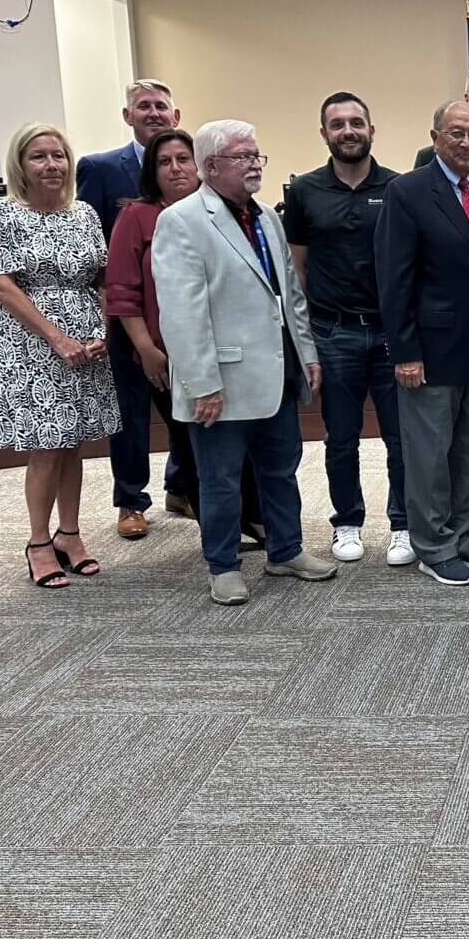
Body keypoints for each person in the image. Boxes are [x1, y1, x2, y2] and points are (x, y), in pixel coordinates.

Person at [151, 119, 337, 606]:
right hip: (220, 382)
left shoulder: (266, 218)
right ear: (211, 166)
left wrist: (307, 353)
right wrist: (200, 383)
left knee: (281, 469)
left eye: (258, 156)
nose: (255, 164)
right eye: (243, 156)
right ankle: (223, 565)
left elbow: (290, 294)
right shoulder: (181, 221)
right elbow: (182, 314)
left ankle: (286, 549)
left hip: (275, 372)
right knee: (219, 479)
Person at [0, 122, 120, 590]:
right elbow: (0, 285)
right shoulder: (0, 214)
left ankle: (69, 535)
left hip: (85, 338)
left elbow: (102, 279)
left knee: (73, 440)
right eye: (39, 157)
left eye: (58, 156)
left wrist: (104, 332)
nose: (51, 165)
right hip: (28, 341)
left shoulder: (85, 215)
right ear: (21, 165)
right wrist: (57, 337)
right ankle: (37, 542)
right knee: (46, 445)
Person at [104, 128, 265, 550]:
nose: (175, 168)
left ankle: (251, 516)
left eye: (183, 159)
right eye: (164, 161)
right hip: (160, 352)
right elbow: (122, 291)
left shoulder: (225, 211)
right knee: (193, 440)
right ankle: (217, 531)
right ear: (151, 172)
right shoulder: (137, 216)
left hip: (225, 349)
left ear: (201, 165)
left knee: (236, 438)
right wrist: (147, 350)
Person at [381, 100, 469, 587]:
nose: (466, 143)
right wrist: (405, 351)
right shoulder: (408, 192)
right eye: (456, 133)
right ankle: (433, 546)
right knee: (429, 454)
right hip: (430, 352)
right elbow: (394, 279)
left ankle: (466, 538)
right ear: (435, 137)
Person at [283, 91, 413, 568]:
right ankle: (348, 522)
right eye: (338, 125)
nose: (348, 131)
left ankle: (402, 524)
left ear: (371, 130)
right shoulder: (305, 191)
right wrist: (307, 340)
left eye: (357, 122)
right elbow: (297, 268)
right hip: (333, 333)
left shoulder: (399, 188)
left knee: (401, 438)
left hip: (389, 334)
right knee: (341, 437)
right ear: (324, 134)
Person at [76, 79, 185, 540]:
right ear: (128, 116)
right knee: (131, 410)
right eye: (144, 106)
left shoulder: (189, 168)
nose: (154, 113)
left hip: (179, 314)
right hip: (123, 314)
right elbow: (85, 238)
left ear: (175, 116)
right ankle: (131, 501)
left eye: (162, 106)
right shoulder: (100, 168)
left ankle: (181, 487)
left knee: (185, 404)